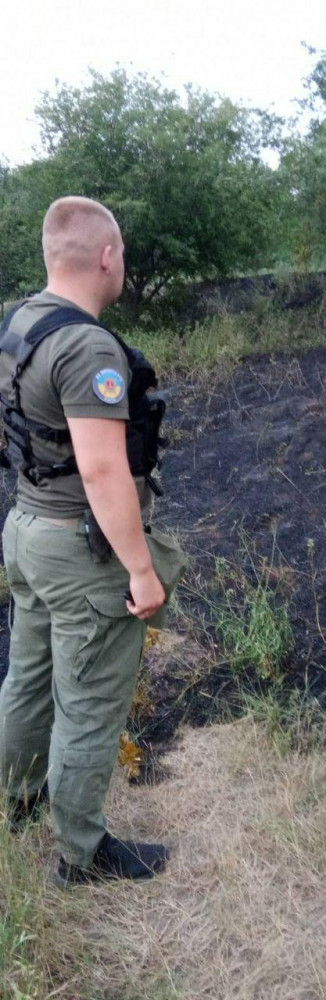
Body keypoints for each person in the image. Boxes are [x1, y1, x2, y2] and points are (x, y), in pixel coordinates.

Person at [0, 196, 184, 886]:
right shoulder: (87, 346)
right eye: (122, 254)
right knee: (88, 703)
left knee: (28, 678)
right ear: (107, 257)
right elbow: (102, 470)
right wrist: (140, 569)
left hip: (26, 531)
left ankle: (18, 799)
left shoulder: (18, 322)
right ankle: (81, 854)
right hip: (80, 551)